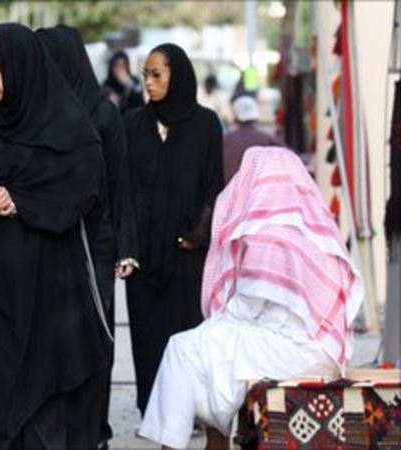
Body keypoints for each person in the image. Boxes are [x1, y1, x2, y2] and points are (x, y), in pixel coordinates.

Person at [0, 23, 111, 449]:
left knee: (44, 414)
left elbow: (82, 189)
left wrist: (18, 202)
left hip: (50, 299)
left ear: (21, 70)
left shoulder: (72, 129)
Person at [138, 147, 364, 449]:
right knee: (206, 351)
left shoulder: (269, 236)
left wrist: (218, 319)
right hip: (319, 350)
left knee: (186, 348)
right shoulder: (312, 232)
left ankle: (177, 443)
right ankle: (211, 442)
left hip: (296, 352)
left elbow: (246, 308)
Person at [37, 24, 139, 448]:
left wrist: (126, 247)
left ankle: (91, 427)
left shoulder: (102, 113)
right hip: (50, 241)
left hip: (96, 245)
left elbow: (120, 185)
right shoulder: (39, 110)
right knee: (52, 336)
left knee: (95, 336)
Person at [122, 43, 224, 416]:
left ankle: (187, 412)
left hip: (186, 254)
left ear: (177, 75)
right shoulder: (132, 124)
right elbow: (122, 190)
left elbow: (213, 185)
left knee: (185, 336)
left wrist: (197, 234)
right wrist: (127, 245)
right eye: (145, 74)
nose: (147, 82)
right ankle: (153, 409)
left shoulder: (206, 124)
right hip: (144, 255)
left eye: (156, 74)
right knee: (147, 336)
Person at [222, 95, 284, 184]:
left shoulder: (224, 141)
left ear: (235, 117)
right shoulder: (269, 140)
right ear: (256, 116)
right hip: (261, 195)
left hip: (229, 195)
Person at [103, 49, 145, 114]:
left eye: (123, 65)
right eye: (117, 65)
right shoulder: (106, 85)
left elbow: (141, 103)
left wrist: (129, 85)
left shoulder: (134, 81)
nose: (120, 69)